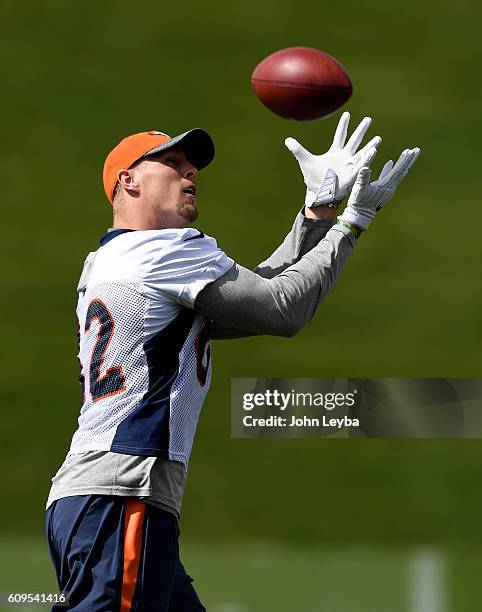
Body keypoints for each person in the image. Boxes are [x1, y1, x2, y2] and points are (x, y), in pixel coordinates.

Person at [45, 114, 419, 611]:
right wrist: (351, 223)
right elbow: (282, 309)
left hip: (108, 494)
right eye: (172, 164)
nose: (190, 173)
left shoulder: (111, 260)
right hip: (124, 494)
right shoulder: (164, 251)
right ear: (127, 182)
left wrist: (316, 213)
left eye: (192, 166)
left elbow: (256, 298)